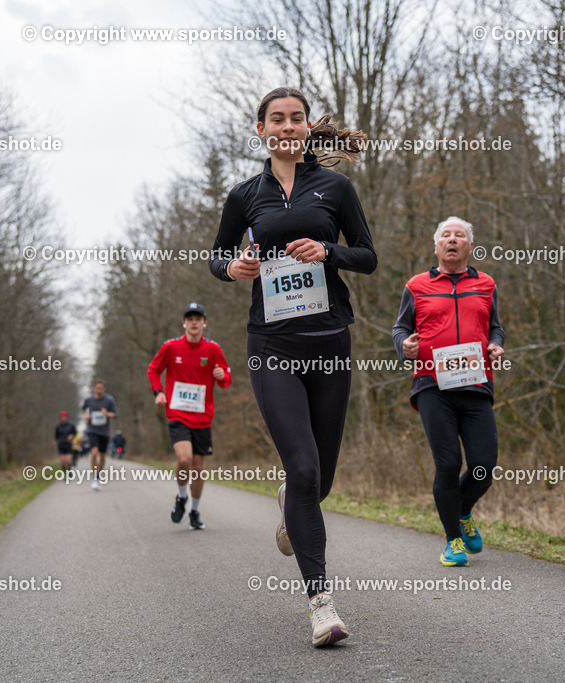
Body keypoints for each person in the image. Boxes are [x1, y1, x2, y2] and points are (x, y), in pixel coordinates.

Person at [209, 86, 375, 647]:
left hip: (329, 342)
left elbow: (369, 257)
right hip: (271, 344)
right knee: (302, 469)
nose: (286, 126)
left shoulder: (335, 187)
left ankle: (290, 503)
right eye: (276, 119)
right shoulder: (244, 195)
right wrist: (234, 269)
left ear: (307, 128)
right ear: (260, 130)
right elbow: (216, 256)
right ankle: (321, 605)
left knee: (318, 481)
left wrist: (329, 253)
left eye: (296, 118)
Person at [392, 216, 504, 567]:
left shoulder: (485, 284)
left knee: (485, 465)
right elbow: (400, 329)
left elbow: (496, 328)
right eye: (446, 235)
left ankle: (464, 509)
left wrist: (497, 346)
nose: (452, 240)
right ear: (436, 245)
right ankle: (453, 540)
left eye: (460, 236)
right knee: (448, 462)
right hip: (431, 385)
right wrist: (404, 347)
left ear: (470, 245)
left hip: (475, 385)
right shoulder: (417, 285)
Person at [147, 302, 232, 530]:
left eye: (198, 318)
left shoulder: (213, 349)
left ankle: (194, 510)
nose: (194, 322)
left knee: (197, 467)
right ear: (183, 323)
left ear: (204, 323)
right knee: (183, 459)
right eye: (189, 318)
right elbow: (153, 369)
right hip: (177, 413)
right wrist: (158, 392)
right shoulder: (171, 348)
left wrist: (221, 374)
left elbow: (226, 379)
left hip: (203, 417)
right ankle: (181, 496)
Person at [82, 379, 117, 491]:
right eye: (97, 388)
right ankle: (95, 478)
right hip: (92, 430)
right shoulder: (89, 400)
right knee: (94, 453)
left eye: (101, 388)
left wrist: (106, 413)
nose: (99, 390)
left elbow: (115, 414)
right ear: (94, 388)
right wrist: (86, 416)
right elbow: (83, 410)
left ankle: (98, 475)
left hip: (104, 432)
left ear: (104, 389)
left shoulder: (109, 400)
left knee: (102, 456)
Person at [53, 411, 77, 476]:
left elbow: (75, 433)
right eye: (62, 417)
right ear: (60, 418)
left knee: (69, 461)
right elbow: (56, 436)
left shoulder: (71, 426)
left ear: (67, 418)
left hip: (68, 445)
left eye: (65, 417)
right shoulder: (58, 427)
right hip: (61, 445)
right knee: (62, 462)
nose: (63, 418)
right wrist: (55, 441)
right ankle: (65, 472)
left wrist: (72, 436)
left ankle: (69, 471)